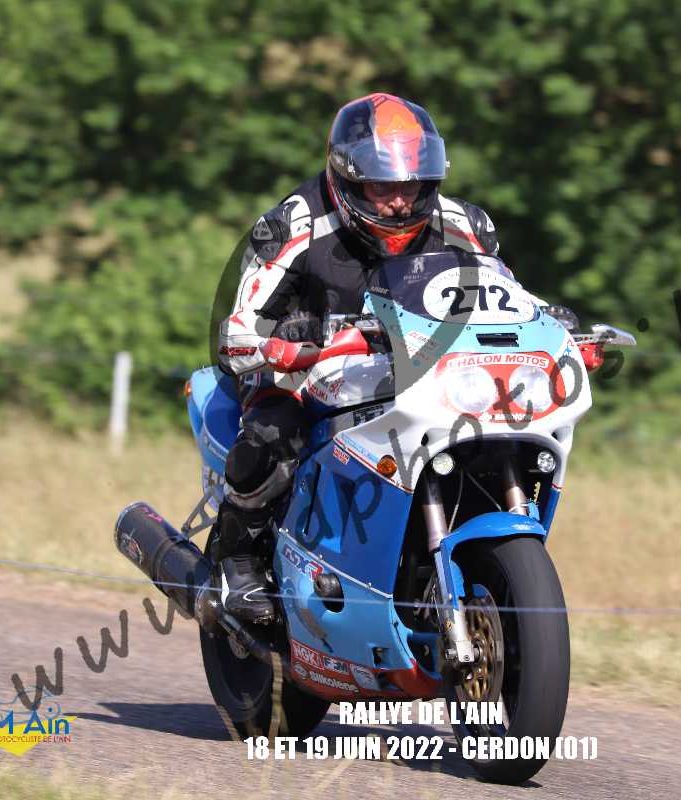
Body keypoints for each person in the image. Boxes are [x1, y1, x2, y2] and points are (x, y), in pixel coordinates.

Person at [213, 92, 545, 623]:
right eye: (382, 187)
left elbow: (508, 296)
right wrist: (284, 347)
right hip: (309, 369)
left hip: (416, 369)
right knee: (274, 435)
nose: (399, 203)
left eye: (411, 186)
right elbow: (236, 332)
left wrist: (554, 325)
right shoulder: (294, 225)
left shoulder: (461, 223)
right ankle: (236, 561)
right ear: (347, 179)